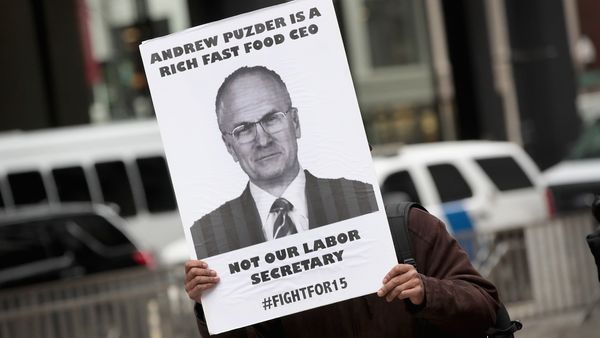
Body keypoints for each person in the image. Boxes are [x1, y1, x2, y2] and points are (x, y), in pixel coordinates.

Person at [185, 206, 500, 338]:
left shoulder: (408, 228)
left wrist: (426, 292)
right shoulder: (262, 260)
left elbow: (484, 306)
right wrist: (212, 302)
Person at [190, 65, 378, 258]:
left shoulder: (364, 201)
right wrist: (200, 287)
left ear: (295, 122)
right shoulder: (207, 235)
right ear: (230, 146)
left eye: (271, 119)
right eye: (244, 129)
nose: (263, 140)